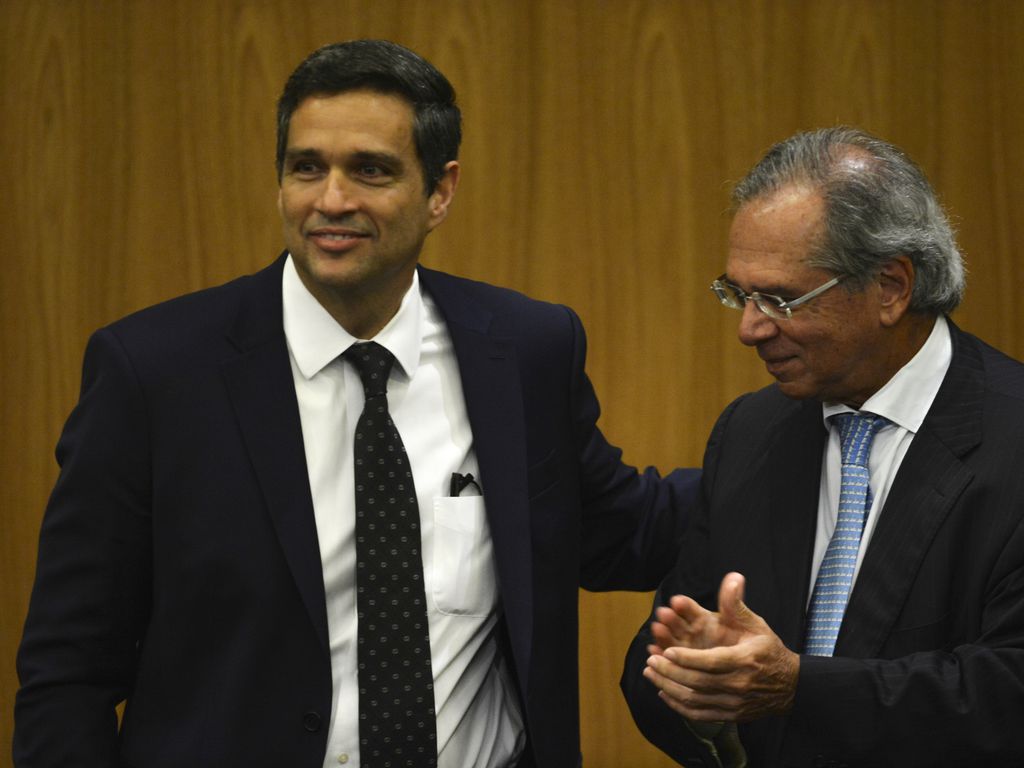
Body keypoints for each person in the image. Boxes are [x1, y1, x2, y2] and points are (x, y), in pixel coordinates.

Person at [15, 40, 699, 768]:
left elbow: (620, 529)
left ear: (441, 191)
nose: (331, 200)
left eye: (370, 170)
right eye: (306, 167)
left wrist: (791, 442)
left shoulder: (525, 352)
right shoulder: (154, 373)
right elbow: (70, 669)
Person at [621, 127, 1024, 767]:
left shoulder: (1012, 439)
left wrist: (796, 688)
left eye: (779, 299)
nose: (749, 329)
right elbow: (662, 653)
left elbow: (1006, 692)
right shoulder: (751, 432)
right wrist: (700, 684)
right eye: (737, 294)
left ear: (891, 287)